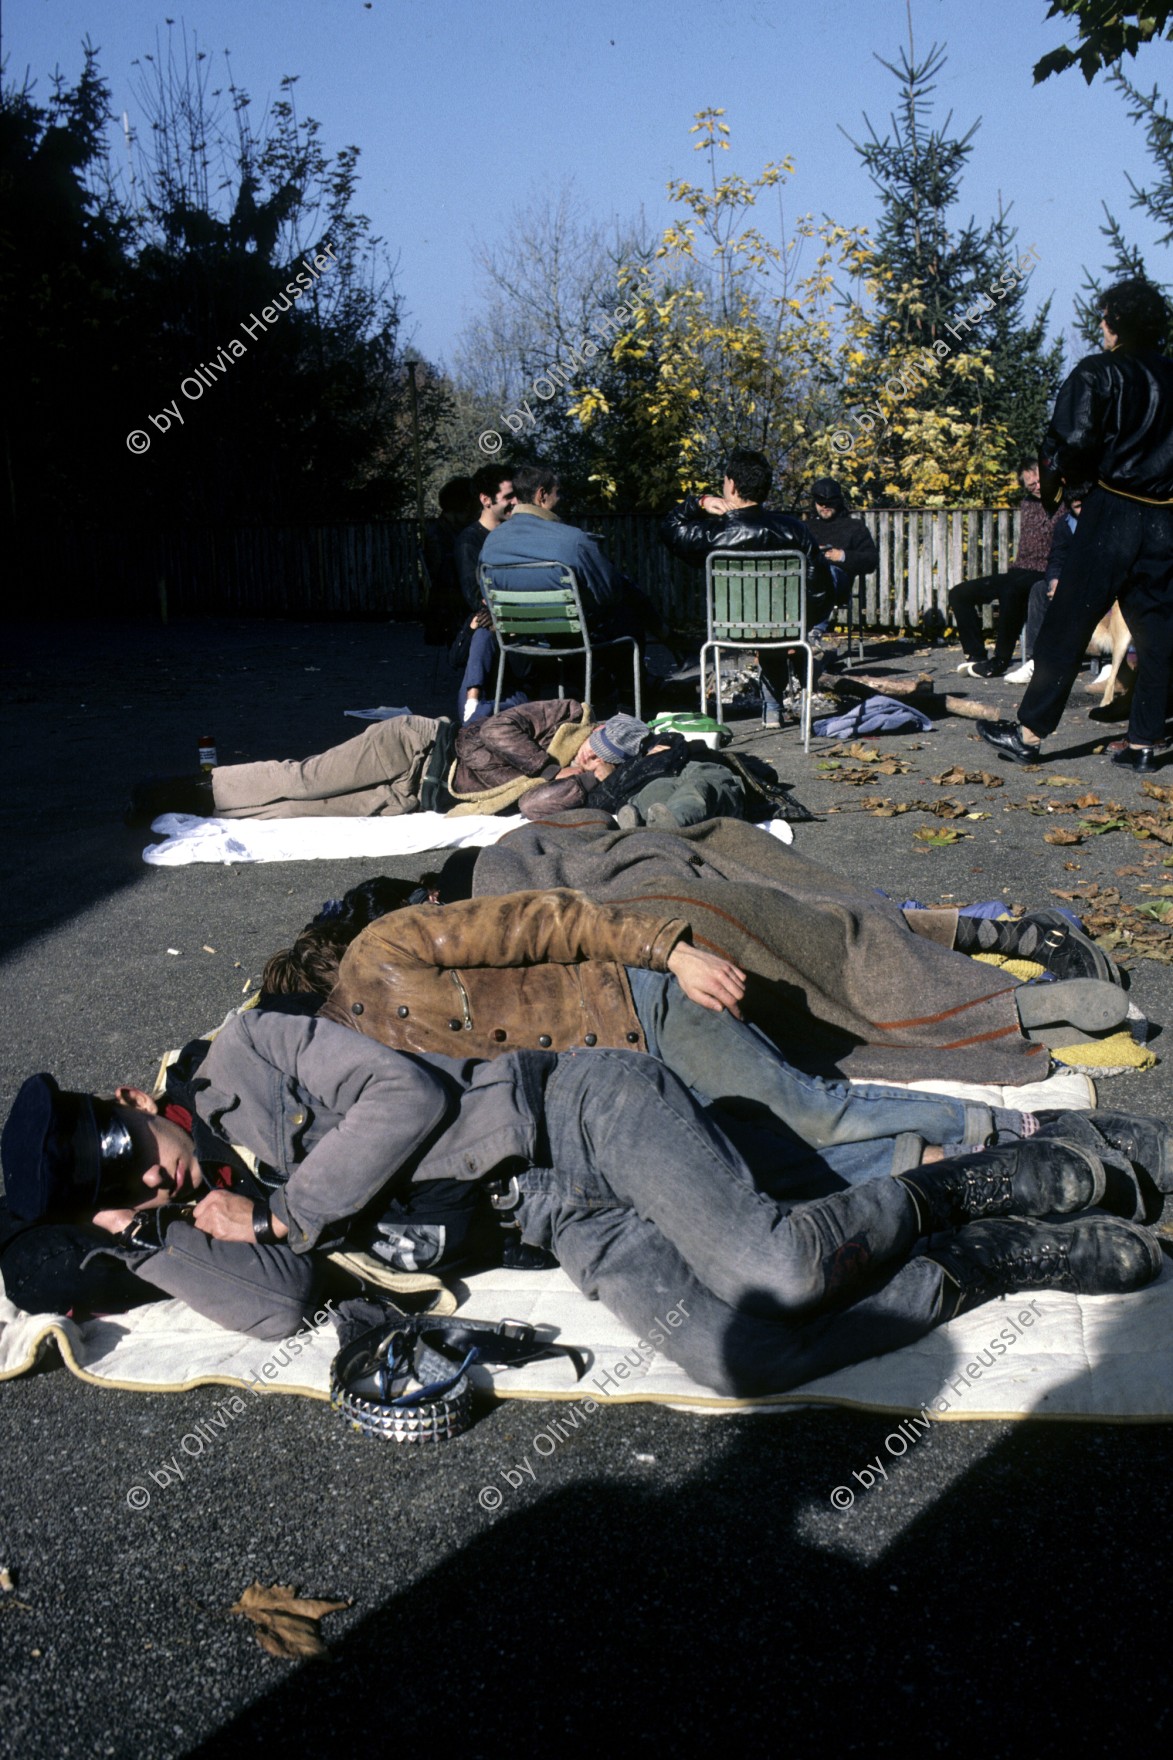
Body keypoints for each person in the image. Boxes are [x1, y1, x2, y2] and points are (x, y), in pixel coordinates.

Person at [2, 1011, 1165, 1394]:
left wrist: (276, 1211)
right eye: (125, 1188)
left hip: (586, 1108)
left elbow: (400, 1094)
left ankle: (980, 1180)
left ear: (130, 1095)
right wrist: (134, 1237)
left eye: (135, 1151)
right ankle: (990, 1255)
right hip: (556, 1215)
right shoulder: (174, 1208)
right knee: (731, 1350)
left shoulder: (251, 1049)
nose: (155, 1175)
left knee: (783, 1262)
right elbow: (272, 1308)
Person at [979, 279, 1173, 772]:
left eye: (1105, 316)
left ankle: (1028, 734)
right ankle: (1146, 742)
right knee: (1158, 632)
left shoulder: (1098, 372)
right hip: (1166, 518)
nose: (1101, 325)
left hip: (1113, 511)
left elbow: (1068, 442)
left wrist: (1067, 488)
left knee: (1067, 623)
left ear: (1115, 322)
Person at [127, 700, 629, 823]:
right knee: (305, 780)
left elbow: (534, 808)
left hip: (415, 794)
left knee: (300, 815)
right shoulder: (566, 715)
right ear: (598, 728)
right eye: (593, 746)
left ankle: (192, 812)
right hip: (416, 745)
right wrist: (548, 766)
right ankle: (175, 788)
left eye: (598, 762)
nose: (586, 757)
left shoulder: (581, 779)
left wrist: (582, 783)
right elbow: (487, 733)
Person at [659, 448, 836, 728]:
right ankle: (774, 707)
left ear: (730, 484)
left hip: (728, 630)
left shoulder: (713, 533)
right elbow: (821, 588)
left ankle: (768, 709)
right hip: (784, 627)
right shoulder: (795, 531)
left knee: (765, 630)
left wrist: (700, 502)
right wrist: (804, 623)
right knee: (774, 632)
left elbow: (669, 528)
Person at [949, 460, 1057, 678]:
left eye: (1039, 481)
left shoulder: (1062, 502)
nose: (1037, 487)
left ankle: (1000, 660)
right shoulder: (1027, 503)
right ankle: (976, 655)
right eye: (1030, 485)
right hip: (1020, 570)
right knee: (959, 593)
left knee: (1012, 591)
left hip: (1046, 571)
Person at [450, 465, 523, 725]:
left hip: (512, 620)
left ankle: (474, 707)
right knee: (483, 628)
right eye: (508, 497)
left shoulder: (514, 536)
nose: (515, 502)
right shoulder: (469, 541)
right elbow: (474, 595)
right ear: (486, 499)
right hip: (486, 622)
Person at [1008, 489, 1086, 684]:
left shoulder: (1103, 522)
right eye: (1077, 507)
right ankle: (1037, 659)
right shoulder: (1065, 524)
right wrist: (1054, 581)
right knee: (1039, 589)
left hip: (1097, 581)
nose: (1082, 510)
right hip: (1072, 580)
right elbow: (1056, 559)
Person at [808, 476, 879, 645]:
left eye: (830, 502)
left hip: (838, 584)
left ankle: (815, 630)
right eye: (820, 502)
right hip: (805, 585)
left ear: (839, 502)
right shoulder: (805, 527)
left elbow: (871, 560)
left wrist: (842, 556)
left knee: (827, 571)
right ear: (814, 503)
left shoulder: (854, 527)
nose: (824, 506)